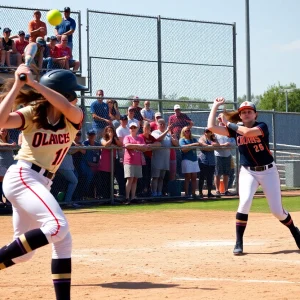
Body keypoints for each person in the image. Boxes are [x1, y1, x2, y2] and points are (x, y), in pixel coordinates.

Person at [0, 66, 87, 299]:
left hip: (41, 183)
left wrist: (35, 84)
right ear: (63, 92)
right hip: (23, 177)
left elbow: (67, 107)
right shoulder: (32, 113)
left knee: (24, 253)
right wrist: (19, 85)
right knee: (57, 226)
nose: (76, 97)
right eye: (73, 92)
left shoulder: (73, 115)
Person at [207, 98, 300, 255]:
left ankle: (295, 230)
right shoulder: (235, 129)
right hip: (248, 171)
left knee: (277, 211)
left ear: (255, 115)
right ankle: (239, 242)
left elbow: (248, 133)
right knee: (244, 203)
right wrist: (216, 106)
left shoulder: (261, 126)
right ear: (240, 116)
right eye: (243, 112)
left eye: (250, 111)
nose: (246, 114)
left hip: (268, 171)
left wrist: (228, 123)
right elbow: (211, 127)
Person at [151, 118, 178, 197]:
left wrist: (174, 138)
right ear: (158, 125)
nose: (162, 125)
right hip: (157, 159)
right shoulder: (155, 132)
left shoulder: (168, 134)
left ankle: (159, 193)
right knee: (155, 177)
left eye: (164, 124)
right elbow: (158, 139)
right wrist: (167, 131)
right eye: (161, 124)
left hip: (165, 159)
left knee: (161, 177)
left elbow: (176, 144)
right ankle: (154, 193)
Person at [123, 122, 148, 204]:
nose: (133, 129)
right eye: (131, 128)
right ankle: (127, 197)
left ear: (137, 129)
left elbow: (144, 148)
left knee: (135, 179)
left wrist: (136, 146)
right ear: (129, 129)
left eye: (134, 127)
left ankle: (133, 197)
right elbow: (127, 145)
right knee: (129, 179)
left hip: (138, 161)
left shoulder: (140, 138)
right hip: (129, 161)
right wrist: (138, 146)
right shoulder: (127, 137)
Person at [214, 114, 236, 196]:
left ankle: (226, 190)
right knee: (217, 173)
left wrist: (229, 144)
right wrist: (223, 145)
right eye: (219, 119)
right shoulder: (215, 130)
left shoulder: (228, 130)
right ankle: (217, 190)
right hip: (218, 155)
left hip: (227, 155)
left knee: (226, 173)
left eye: (222, 119)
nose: (221, 120)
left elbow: (234, 141)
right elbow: (213, 143)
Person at [99, 125, 122, 199]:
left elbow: (120, 145)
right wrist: (111, 138)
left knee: (111, 182)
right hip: (104, 165)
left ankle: (110, 198)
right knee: (104, 182)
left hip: (112, 165)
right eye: (108, 131)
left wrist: (114, 138)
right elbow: (105, 144)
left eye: (111, 131)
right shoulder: (103, 139)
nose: (110, 133)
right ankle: (105, 198)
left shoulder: (115, 139)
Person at [138, 121, 161, 197]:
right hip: (142, 158)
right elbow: (142, 148)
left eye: (148, 128)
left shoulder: (151, 137)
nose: (147, 129)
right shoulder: (141, 136)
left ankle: (147, 190)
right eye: (146, 128)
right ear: (143, 128)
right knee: (143, 175)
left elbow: (158, 144)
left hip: (149, 158)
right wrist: (147, 148)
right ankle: (142, 191)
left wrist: (150, 145)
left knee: (148, 175)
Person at [179, 126, 200, 199]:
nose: (187, 132)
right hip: (186, 159)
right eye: (186, 131)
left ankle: (193, 193)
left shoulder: (193, 139)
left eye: (188, 130)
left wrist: (190, 146)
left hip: (194, 159)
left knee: (194, 177)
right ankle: (187, 193)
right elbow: (184, 149)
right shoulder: (182, 140)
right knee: (187, 177)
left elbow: (198, 144)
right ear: (183, 132)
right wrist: (192, 145)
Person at [198, 128, 220, 198]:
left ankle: (209, 193)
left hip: (211, 161)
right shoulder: (202, 138)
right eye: (207, 132)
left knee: (209, 178)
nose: (208, 133)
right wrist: (212, 147)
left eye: (210, 131)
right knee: (202, 177)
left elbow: (218, 145)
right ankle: (200, 193)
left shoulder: (213, 138)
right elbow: (204, 145)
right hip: (203, 161)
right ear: (204, 132)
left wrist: (210, 147)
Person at [115, 115, 130, 198]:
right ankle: (122, 194)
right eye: (123, 120)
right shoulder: (119, 130)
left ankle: (126, 193)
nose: (124, 121)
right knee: (121, 176)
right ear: (120, 121)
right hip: (122, 155)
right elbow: (121, 143)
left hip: (129, 155)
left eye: (125, 120)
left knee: (127, 176)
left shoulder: (128, 128)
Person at [0, 128, 16, 201]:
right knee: (1, 181)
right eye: (2, 131)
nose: (4, 132)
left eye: (5, 131)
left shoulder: (10, 140)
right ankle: (1, 200)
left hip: (10, 163)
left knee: (8, 181)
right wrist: (9, 145)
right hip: (1, 163)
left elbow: (14, 146)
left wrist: (11, 145)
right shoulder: (9, 142)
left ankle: (7, 200)